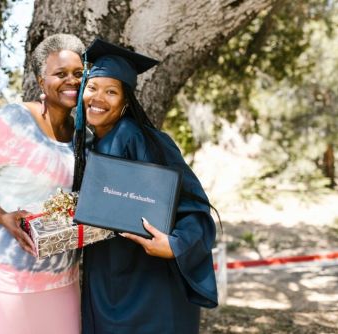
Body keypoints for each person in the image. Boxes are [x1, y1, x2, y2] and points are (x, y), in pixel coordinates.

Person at [73, 38, 218, 333]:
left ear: (126, 102)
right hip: (107, 279)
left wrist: (175, 245)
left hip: (148, 285)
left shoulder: (142, 138)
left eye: (111, 91)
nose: (99, 98)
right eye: (93, 88)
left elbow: (195, 206)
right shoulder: (86, 145)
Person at [0, 34, 85, 334]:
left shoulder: (83, 134)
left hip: (59, 272)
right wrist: (2, 217)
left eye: (78, 73)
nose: (71, 81)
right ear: (39, 80)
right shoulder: (9, 121)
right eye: (60, 74)